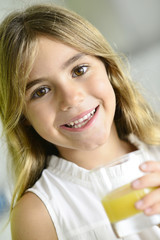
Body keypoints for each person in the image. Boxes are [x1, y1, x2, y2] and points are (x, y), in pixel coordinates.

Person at [0, 4, 160, 240]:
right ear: (23, 117)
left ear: (109, 69)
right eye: (41, 91)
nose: (71, 98)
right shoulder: (39, 215)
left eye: (79, 70)